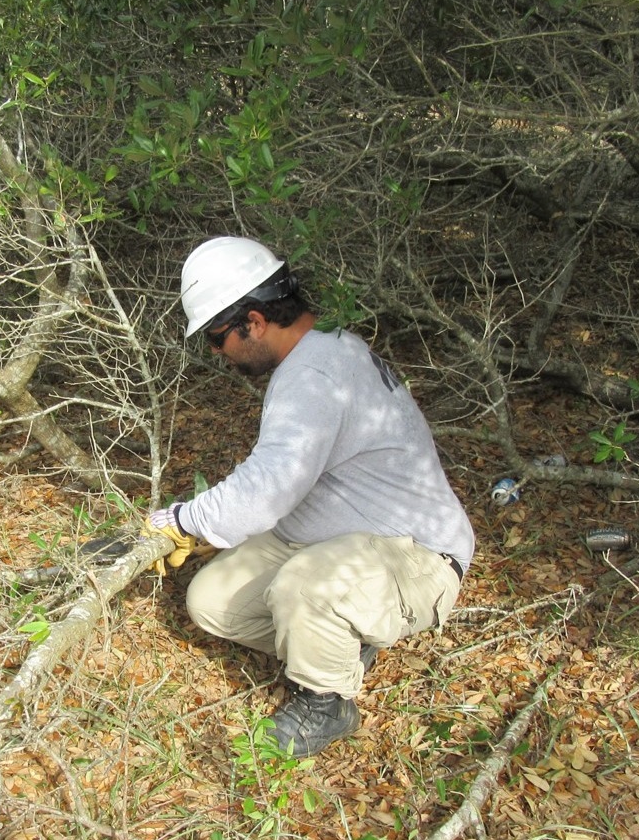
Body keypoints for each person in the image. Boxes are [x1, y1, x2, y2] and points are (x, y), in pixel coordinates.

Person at [147, 236, 475, 757]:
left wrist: (187, 521)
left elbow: (272, 484)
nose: (217, 353)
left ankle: (327, 701)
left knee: (303, 585)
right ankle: (340, 642)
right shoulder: (328, 343)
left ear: (252, 322)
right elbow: (292, 474)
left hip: (418, 553)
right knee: (210, 603)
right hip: (346, 537)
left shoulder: (315, 372)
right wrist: (218, 527)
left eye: (215, 338)